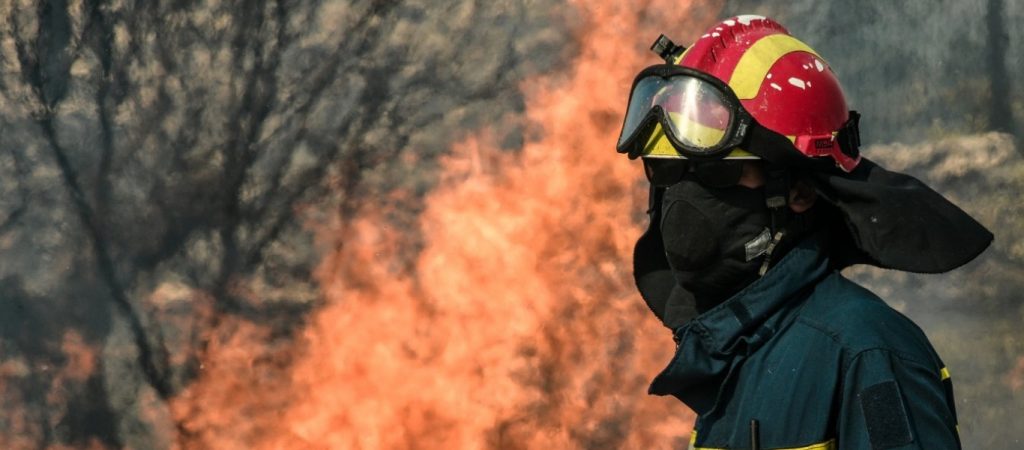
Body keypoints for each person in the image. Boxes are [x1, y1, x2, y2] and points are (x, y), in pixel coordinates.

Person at [615, 16, 993, 449]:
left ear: (800, 191)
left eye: (716, 172)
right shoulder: (731, 354)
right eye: (667, 169)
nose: (684, 194)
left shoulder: (868, 352)